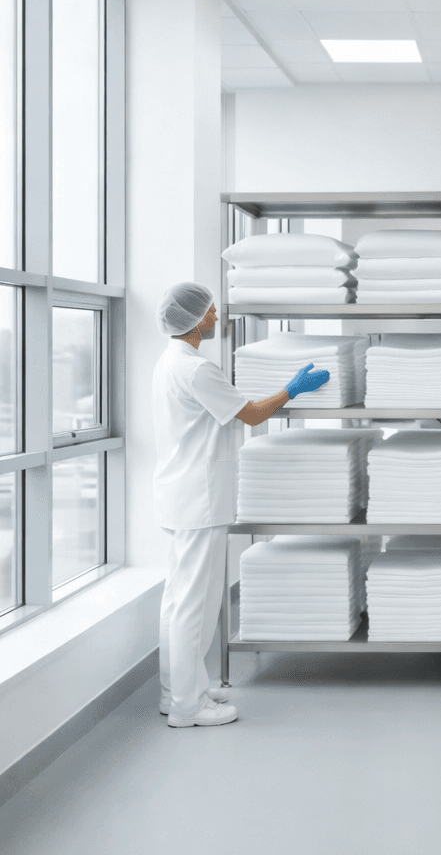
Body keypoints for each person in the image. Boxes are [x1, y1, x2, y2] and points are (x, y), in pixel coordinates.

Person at [152, 282, 330, 727]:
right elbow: (250, 414)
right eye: (210, 310)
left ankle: (177, 690)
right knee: (197, 602)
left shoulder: (169, 362)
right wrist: (293, 389)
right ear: (193, 321)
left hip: (177, 494)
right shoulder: (197, 369)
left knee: (177, 599)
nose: (216, 316)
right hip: (199, 498)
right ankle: (188, 709)